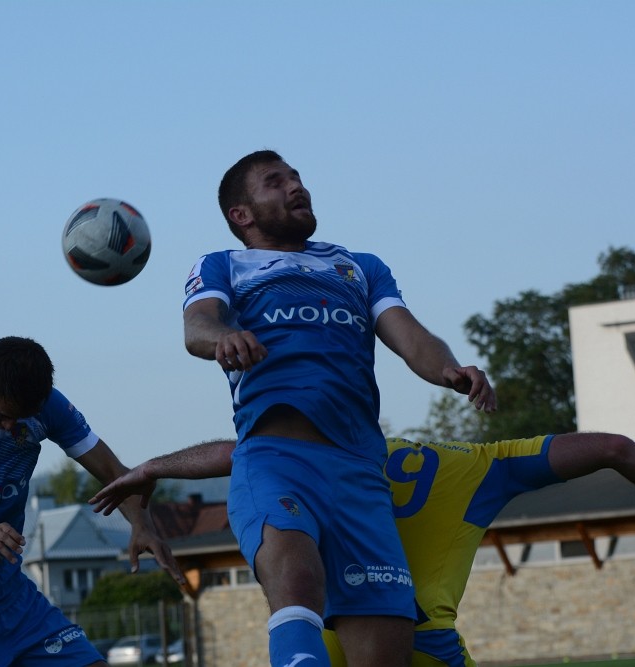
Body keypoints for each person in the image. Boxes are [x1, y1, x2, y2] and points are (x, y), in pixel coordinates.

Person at [176, 150, 495, 667]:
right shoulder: (223, 264)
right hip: (277, 459)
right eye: (275, 181)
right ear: (242, 214)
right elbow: (197, 326)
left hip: (360, 473)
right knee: (297, 576)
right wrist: (223, 337)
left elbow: (411, 337)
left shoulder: (360, 267)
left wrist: (449, 369)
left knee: (385, 652)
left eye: (296, 177)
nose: (295, 186)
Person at [90, 431, 635, 667]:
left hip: (323, 635)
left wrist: (151, 467)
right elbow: (614, 448)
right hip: (420, 641)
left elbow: (236, 450)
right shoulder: (482, 464)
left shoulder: (336, 454)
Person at [0, 336, 184, 667]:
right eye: (1, 415)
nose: (10, 427)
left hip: (12, 600)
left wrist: (142, 524)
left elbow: (114, 472)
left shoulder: (48, 405)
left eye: (21, 418)